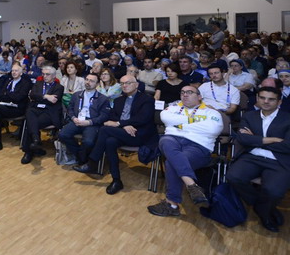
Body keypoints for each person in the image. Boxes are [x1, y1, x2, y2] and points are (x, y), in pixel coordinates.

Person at [147, 86, 222, 217]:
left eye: (189, 92)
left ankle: (172, 205)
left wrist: (179, 125)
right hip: (172, 140)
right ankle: (192, 185)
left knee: (172, 162)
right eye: (182, 92)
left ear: (199, 96)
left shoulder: (212, 113)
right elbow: (165, 118)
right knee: (164, 140)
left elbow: (213, 129)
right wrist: (197, 121)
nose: (185, 95)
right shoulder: (172, 108)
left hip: (198, 146)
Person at [74, 75, 156, 194]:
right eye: (122, 83)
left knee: (104, 129)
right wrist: (123, 125)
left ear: (136, 85)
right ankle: (116, 180)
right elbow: (112, 117)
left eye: (128, 83)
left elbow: (143, 118)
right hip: (122, 132)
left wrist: (120, 123)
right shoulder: (118, 100)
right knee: (110, 142)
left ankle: (92, 162)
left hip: (139, 135)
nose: (124, 86)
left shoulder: (146, 99)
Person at [227, 87, 290, 232]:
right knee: (233, 177)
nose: (266, 101)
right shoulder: (249, 116)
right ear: (257, 98)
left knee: (274, 191)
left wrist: (255, 139)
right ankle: (263, 207)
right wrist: (272, 139)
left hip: (278, 161)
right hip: (252, 157)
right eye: (262, 98)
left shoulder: (288, 119)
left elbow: (287, 146)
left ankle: (264, 212)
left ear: (279, 102)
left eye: (271, 99)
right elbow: (243, 138)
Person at [58, 73, 112, 164]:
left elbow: (104, 116)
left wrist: (89, 122)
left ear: (97, 84)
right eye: (87, 79)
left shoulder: (103, 99)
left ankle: (81, 158)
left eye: (91, 81)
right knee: (62, 135)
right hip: (77, 120)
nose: (88, 82)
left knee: (88, 142)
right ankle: (80, 155)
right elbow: (70, 109)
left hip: (92, 123)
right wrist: (73, 118)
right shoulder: (76, 95)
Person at [20, 66, 63, 163]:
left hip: (49, 113)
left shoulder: (59, 87)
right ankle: (36, 142)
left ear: (54, 76)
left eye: (47, 74)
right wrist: (46, 96)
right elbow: (32, 95)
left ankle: (29, 151)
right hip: (36, 110)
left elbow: (53, 101)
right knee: (29, 111)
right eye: (43, 74)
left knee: (30, 124)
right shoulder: (38, 84)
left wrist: (40, 97)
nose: (45, 76)